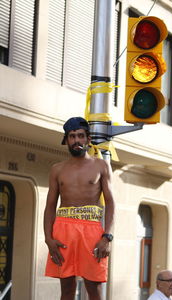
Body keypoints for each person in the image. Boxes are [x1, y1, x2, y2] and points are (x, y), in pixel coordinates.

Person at [44, 117, 115, 300]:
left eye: (81, 136)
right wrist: (48, 239)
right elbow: (50, 206)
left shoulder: (101, 165)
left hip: (91, 231)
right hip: (63, 230)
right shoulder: (57, 169)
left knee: (94, 290)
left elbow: (111, 203)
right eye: (72, 136)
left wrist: (107, 237)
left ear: (88, 139)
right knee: (66, 289)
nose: (77, 140)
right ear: (66, 140)